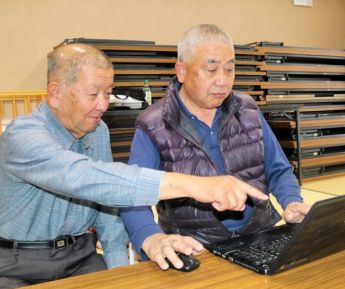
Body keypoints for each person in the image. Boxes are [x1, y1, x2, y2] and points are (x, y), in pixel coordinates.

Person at [0, 43, 269, 289]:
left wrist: (124, 274)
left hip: (79, 259)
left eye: (108, 93)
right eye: (93, 93)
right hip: (11, 266)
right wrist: (194, 184)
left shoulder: (97, 132)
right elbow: (85, 178)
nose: (103, 105)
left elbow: (108, 208)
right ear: (56, 94)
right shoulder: (23, 136)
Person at [120, 24, 311, 269]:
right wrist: (151, 237)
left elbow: (279, 170)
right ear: (181, 71)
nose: (222, 81)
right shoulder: (153, 123)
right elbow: (133, 194)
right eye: (211, 69)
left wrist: (292, 202)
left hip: (259, 237)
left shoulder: (248, 109)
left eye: (230, 69)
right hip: (196, 250)